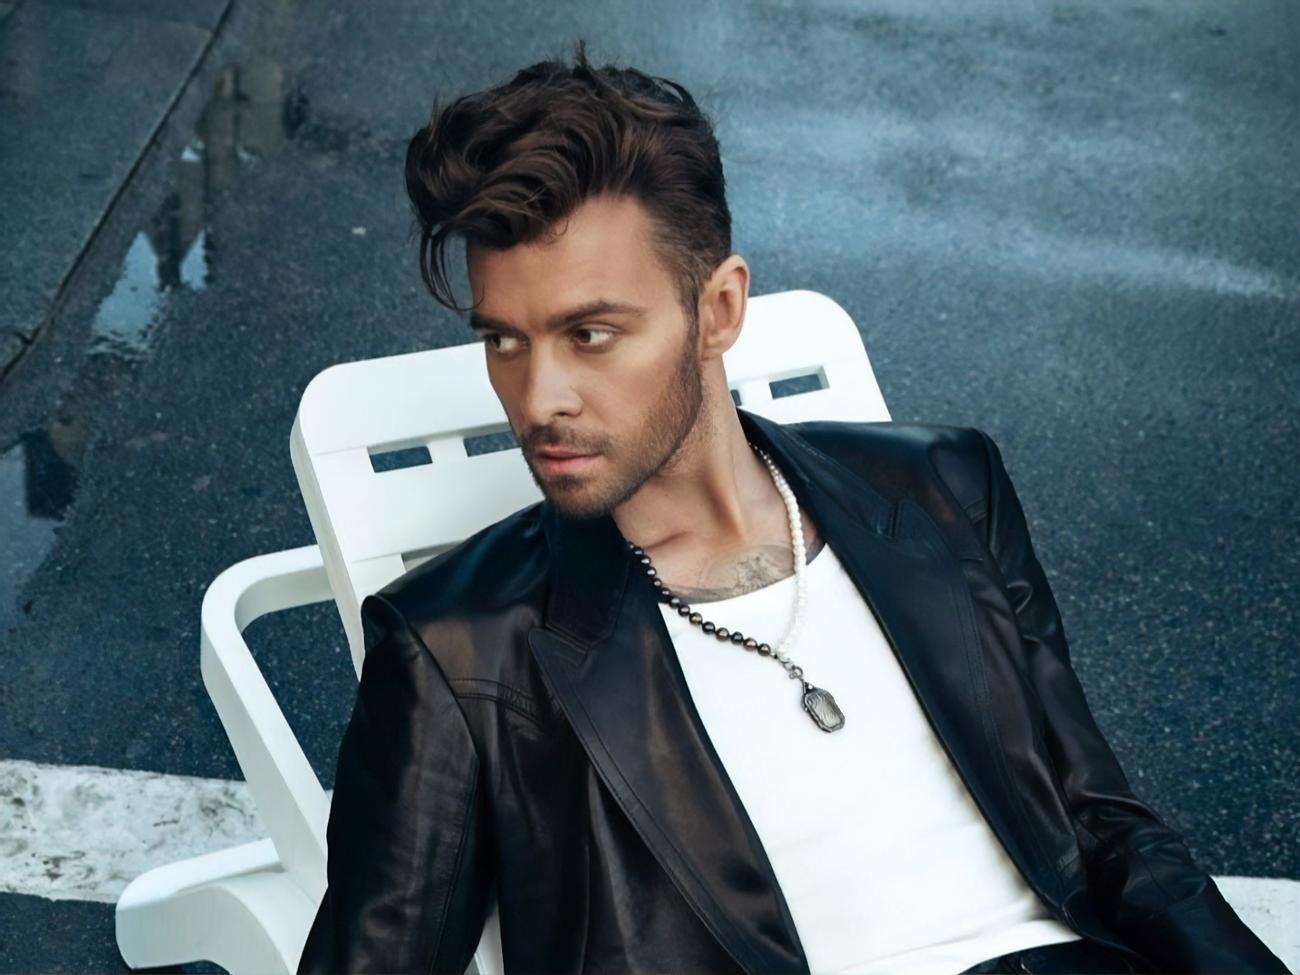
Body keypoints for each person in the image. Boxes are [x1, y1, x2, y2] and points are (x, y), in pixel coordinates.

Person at [295, 40, 1290, 975]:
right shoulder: (460, 649)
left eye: (589, 335)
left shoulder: (943, 488)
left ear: (719, 310)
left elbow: (1105, 824)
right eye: (503, 340)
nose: (538, 396)